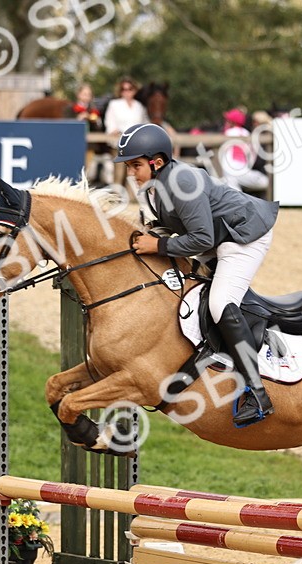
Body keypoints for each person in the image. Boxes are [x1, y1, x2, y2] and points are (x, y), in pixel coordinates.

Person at [119, 123, 280, 426]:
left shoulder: (183, 181)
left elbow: (202, 239)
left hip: (243, 236)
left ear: (157, 162)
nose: (131, 172)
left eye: (135, 165)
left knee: (220, 303)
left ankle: (257, 393)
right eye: (129, 166)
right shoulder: (155, 186)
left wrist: (159, 244)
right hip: (219, 235)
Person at [104, 78, 147, 190]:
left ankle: (132, 199)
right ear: (120, 91)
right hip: (119, 144)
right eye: (124, 89)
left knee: (134, 174)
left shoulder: (139, 106)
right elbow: (110, 123)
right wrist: (113, 131)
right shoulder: (114, 104)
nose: (127, 91)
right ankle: (116, 198)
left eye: (130, 89)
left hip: (136, 146)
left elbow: (144, 123)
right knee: (119, 173)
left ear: (134, 90)